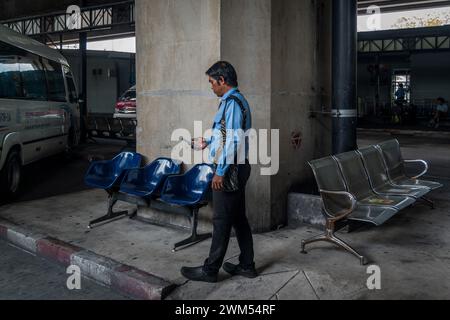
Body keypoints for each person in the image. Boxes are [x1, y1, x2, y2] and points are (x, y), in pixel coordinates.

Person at [180, 61, 257, 283]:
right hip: (238, 167)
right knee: (239, 218)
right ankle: (247, 265)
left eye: (212, 82)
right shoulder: (235, 101)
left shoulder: (232, 102)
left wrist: (220, 171)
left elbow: (232, 140)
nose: (211, 87)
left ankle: (210, 270)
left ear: (222, 81)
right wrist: (209, 141)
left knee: (222, 219)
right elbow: (226, 134)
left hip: (230, 169)